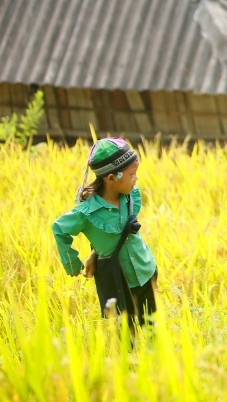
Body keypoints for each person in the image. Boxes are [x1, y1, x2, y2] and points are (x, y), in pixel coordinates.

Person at [53, 137, 158, 327]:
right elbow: (59, 228)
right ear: (112, 178)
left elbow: (120, 233)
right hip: (118, 283)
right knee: (127, 335)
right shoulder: (87, 213)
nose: (136, 178)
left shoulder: (131, 196)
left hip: (146, 271)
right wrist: (72, 262)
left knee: (153, 329)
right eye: (132, 174)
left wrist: (95, 252)